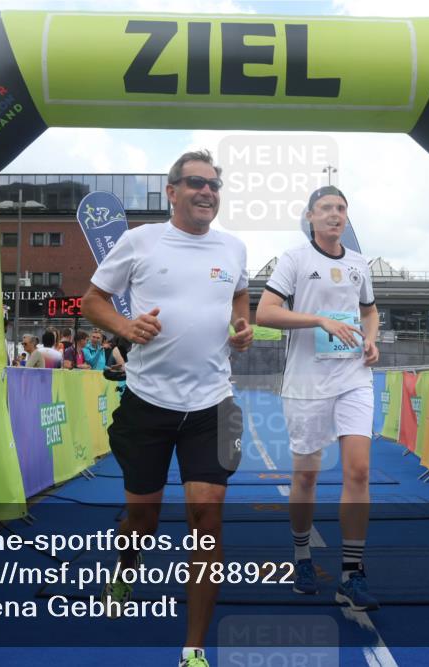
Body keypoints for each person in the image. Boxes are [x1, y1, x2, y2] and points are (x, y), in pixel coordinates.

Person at [82, 149, 253, 667]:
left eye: (215, 185)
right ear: (172, 191)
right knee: (144, 517)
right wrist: (125, 327)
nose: (207, 192)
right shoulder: (140, 241)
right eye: (196, 183)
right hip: (148, 404)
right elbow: (93, 300)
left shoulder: (235, 247)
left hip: (213, 405)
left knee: (208, 515)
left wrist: (241, 329)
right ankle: (126, 565)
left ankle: (194, 648)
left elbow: (240, 296)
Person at [255, 185, 380, 611]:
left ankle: (351, 573)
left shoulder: (360, 263)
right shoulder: (295, 259)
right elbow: (265, 312)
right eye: (326, 208)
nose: (334, 214)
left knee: (359, 472)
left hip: (353, 377)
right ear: (310, 216)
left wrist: (372, 340)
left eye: (341, 208)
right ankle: (302, 556)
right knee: (306, 477)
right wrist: (320, 320)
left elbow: (370, 311)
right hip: (307, 383)